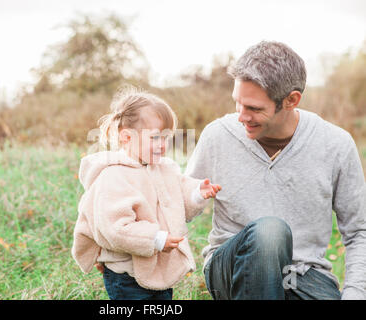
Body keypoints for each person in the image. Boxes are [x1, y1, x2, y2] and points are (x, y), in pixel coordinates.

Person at [185, 41, 366, 300]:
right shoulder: (218, 136)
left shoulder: (336, 145)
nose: (241, 116)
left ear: (291, 100)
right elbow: (179, 207)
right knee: (270, 232)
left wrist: (356, 293)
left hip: (303, 276)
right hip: (231, 268)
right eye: (238, 103)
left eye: (254, 109)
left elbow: (359, 231)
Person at [72, 87, 221, 300]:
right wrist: (155, 238)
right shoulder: (114, 175)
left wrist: (197, 193)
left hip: (159, 270)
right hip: (125, 275)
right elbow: (115, 228)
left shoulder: (163, 169)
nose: (163, 145)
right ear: (126, 137)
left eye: (167, 138)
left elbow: (176, 199)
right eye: (155, 138)